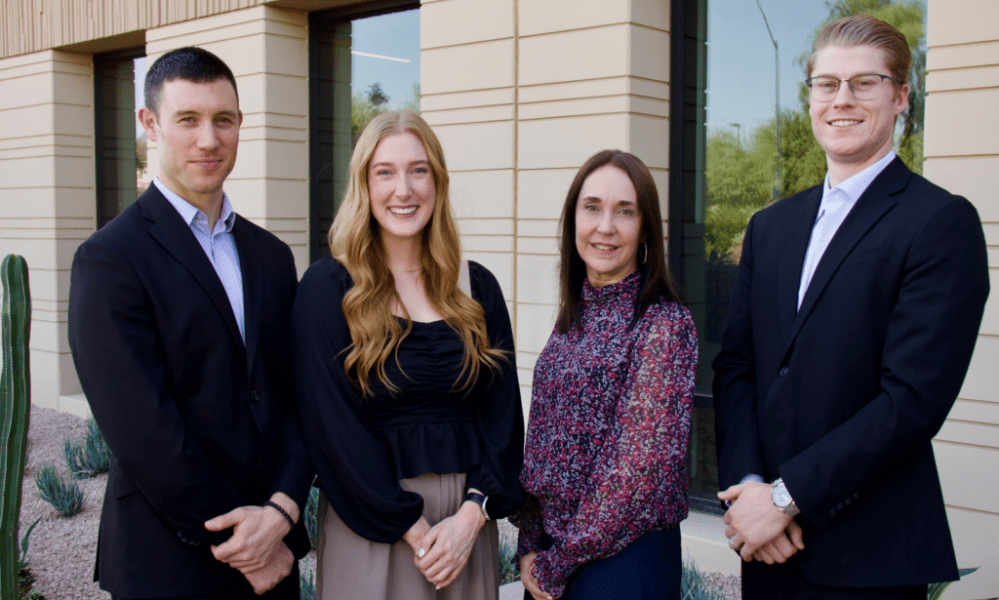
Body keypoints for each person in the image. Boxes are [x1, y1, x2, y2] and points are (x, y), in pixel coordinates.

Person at [712, 14, 990, 599]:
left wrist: (787, 499)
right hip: (766, 551)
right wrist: (750, 488)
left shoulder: (940, 222)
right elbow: (738, 367)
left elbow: (911, 400)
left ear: (900, 98)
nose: (842, 99)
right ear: (810, 97)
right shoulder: (771, 227)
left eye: (865, 83)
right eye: (827, 84)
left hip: (867, 560)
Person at [68, 47, 313, 600]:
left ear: (240, 124)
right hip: (168, 561)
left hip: (273, 550)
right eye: (188, 119)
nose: (209, 139)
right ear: (150, 124)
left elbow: (297, 399)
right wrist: (246, 544)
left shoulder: (272, 257)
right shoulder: (109, 260)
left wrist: (280, 513)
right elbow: (143, 432)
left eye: (223, 119)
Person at [290, 110, 524, 600]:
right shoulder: (328, 289)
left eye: (419, 170)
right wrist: (416, 532)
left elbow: (502, 418)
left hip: (466, 530)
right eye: (385, 172)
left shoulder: (477, 286)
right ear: (364, 184)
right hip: (373, 529)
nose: (404, 189)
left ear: (438, 182)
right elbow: (333, 432)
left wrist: (470, 516)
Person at [512, 150, 697, 600]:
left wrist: (558, 562)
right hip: (557, 560)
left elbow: (634, 473)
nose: (605, 226)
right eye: (592, 207)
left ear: (645, 228)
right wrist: (531, 544)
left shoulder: (664, 324)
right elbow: (543, 442)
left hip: (625, 564)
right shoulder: (571, 321)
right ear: (573, 218)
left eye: (625, 211)